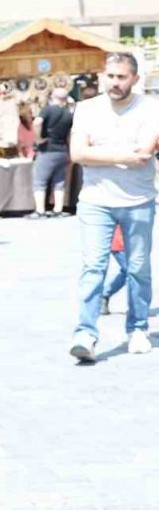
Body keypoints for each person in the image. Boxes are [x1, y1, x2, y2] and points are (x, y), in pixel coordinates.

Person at [68, 53, 159, 361]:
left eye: (122, 77)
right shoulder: (86, 109)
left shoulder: (150, 107)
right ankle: (85, 335)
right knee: (93, 268)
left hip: (138, 201)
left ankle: (137, 329)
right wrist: (122, 154)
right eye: (110, 76)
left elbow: (143, 154)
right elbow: (77, 153)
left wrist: (99, 151)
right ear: (102, 76)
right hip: (95, 202)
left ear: (135, 79)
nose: (115, 83)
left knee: (137, 269)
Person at [28, 88, 74, 218]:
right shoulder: (68, 114)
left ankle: (40, 211)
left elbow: (37, 122)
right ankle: (58, 209)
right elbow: (70, 135)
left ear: (52, 97)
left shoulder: (48, 110)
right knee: (59, 181)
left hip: (47, 149)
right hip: (63, 150)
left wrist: (38, 139)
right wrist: (70, 151)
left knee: (40, 181)